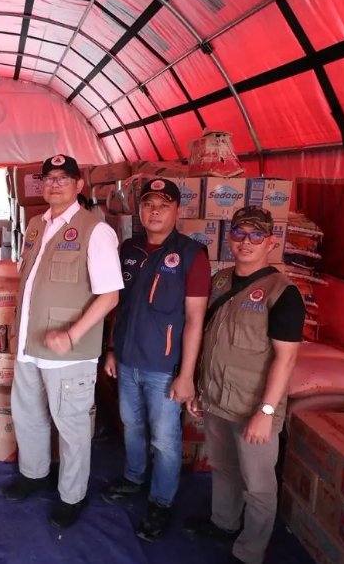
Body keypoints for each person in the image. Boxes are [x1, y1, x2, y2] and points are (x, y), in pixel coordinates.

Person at [0, 154, 122, 530]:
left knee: (71, 426)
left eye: (63, 178)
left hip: (68, 352)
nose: (54, 184)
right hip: (29, 344)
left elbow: (110, 295)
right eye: (48, 178)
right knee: (28, 415)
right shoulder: (37, 224)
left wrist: (72, 334)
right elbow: (23, 272)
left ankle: (72, 496)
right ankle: (33, 474)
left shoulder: (95, 231)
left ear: (78, 185)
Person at [184, 206, 305, 564]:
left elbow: (286, 359)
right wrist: (200, 387)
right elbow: (209, 338)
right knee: (224, 468)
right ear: (229, 238)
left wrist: (266, 412)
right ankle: (224, 523)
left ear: (270, 242)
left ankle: (250, 552)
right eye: (239, 233)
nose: (246, 242)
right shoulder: (220, 280)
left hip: (254, 407)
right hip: (217, 398)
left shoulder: (283, 293)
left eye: (256, 235)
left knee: (258, 485)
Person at [102, 178, 210, 541]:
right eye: (149, 204)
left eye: (164, 205)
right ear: (140, 209)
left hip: (164, 368)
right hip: (127, 360)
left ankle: (161, 501)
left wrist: (187, 374)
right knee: (131, 426)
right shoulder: (128, 249)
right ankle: (134, 477)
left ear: (177, 210)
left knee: (164, 439)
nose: (155, 211)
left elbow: (195, 319)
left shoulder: (191, 255)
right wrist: (112, 349)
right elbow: (118, 305)